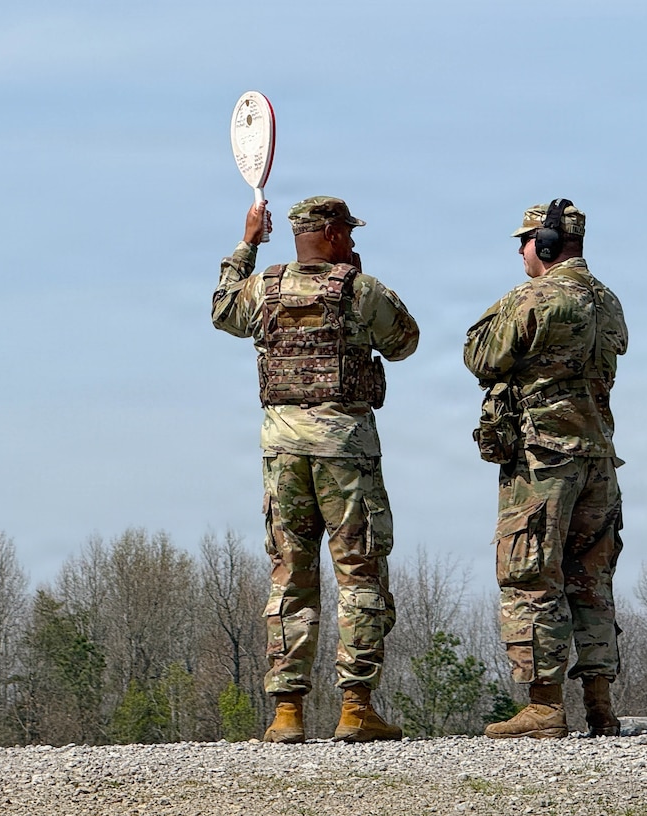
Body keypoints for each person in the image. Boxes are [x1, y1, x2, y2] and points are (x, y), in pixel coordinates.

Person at [212, 195, 420, 743]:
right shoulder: (359, 290)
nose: (352, 242)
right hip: (345, 451)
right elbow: (405, 342)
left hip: (282, 451)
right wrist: (359, 281)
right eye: (347, 233)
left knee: (291, 574)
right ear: (328, 234)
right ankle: (356, 708)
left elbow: (221, 309)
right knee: (360, 573)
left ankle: (287, 713)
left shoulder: (264, 287)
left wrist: (247, 244)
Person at [463, 199, 628, 739]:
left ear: (547, 244)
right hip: (598, 458)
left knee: (530, 574)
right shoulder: (608, 300)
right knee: (591, 579)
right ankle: (600, 705)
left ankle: (544, 706)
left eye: (525, 241)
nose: (520, 251)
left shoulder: (535, 297)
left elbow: (481, 357)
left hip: (544, 457)